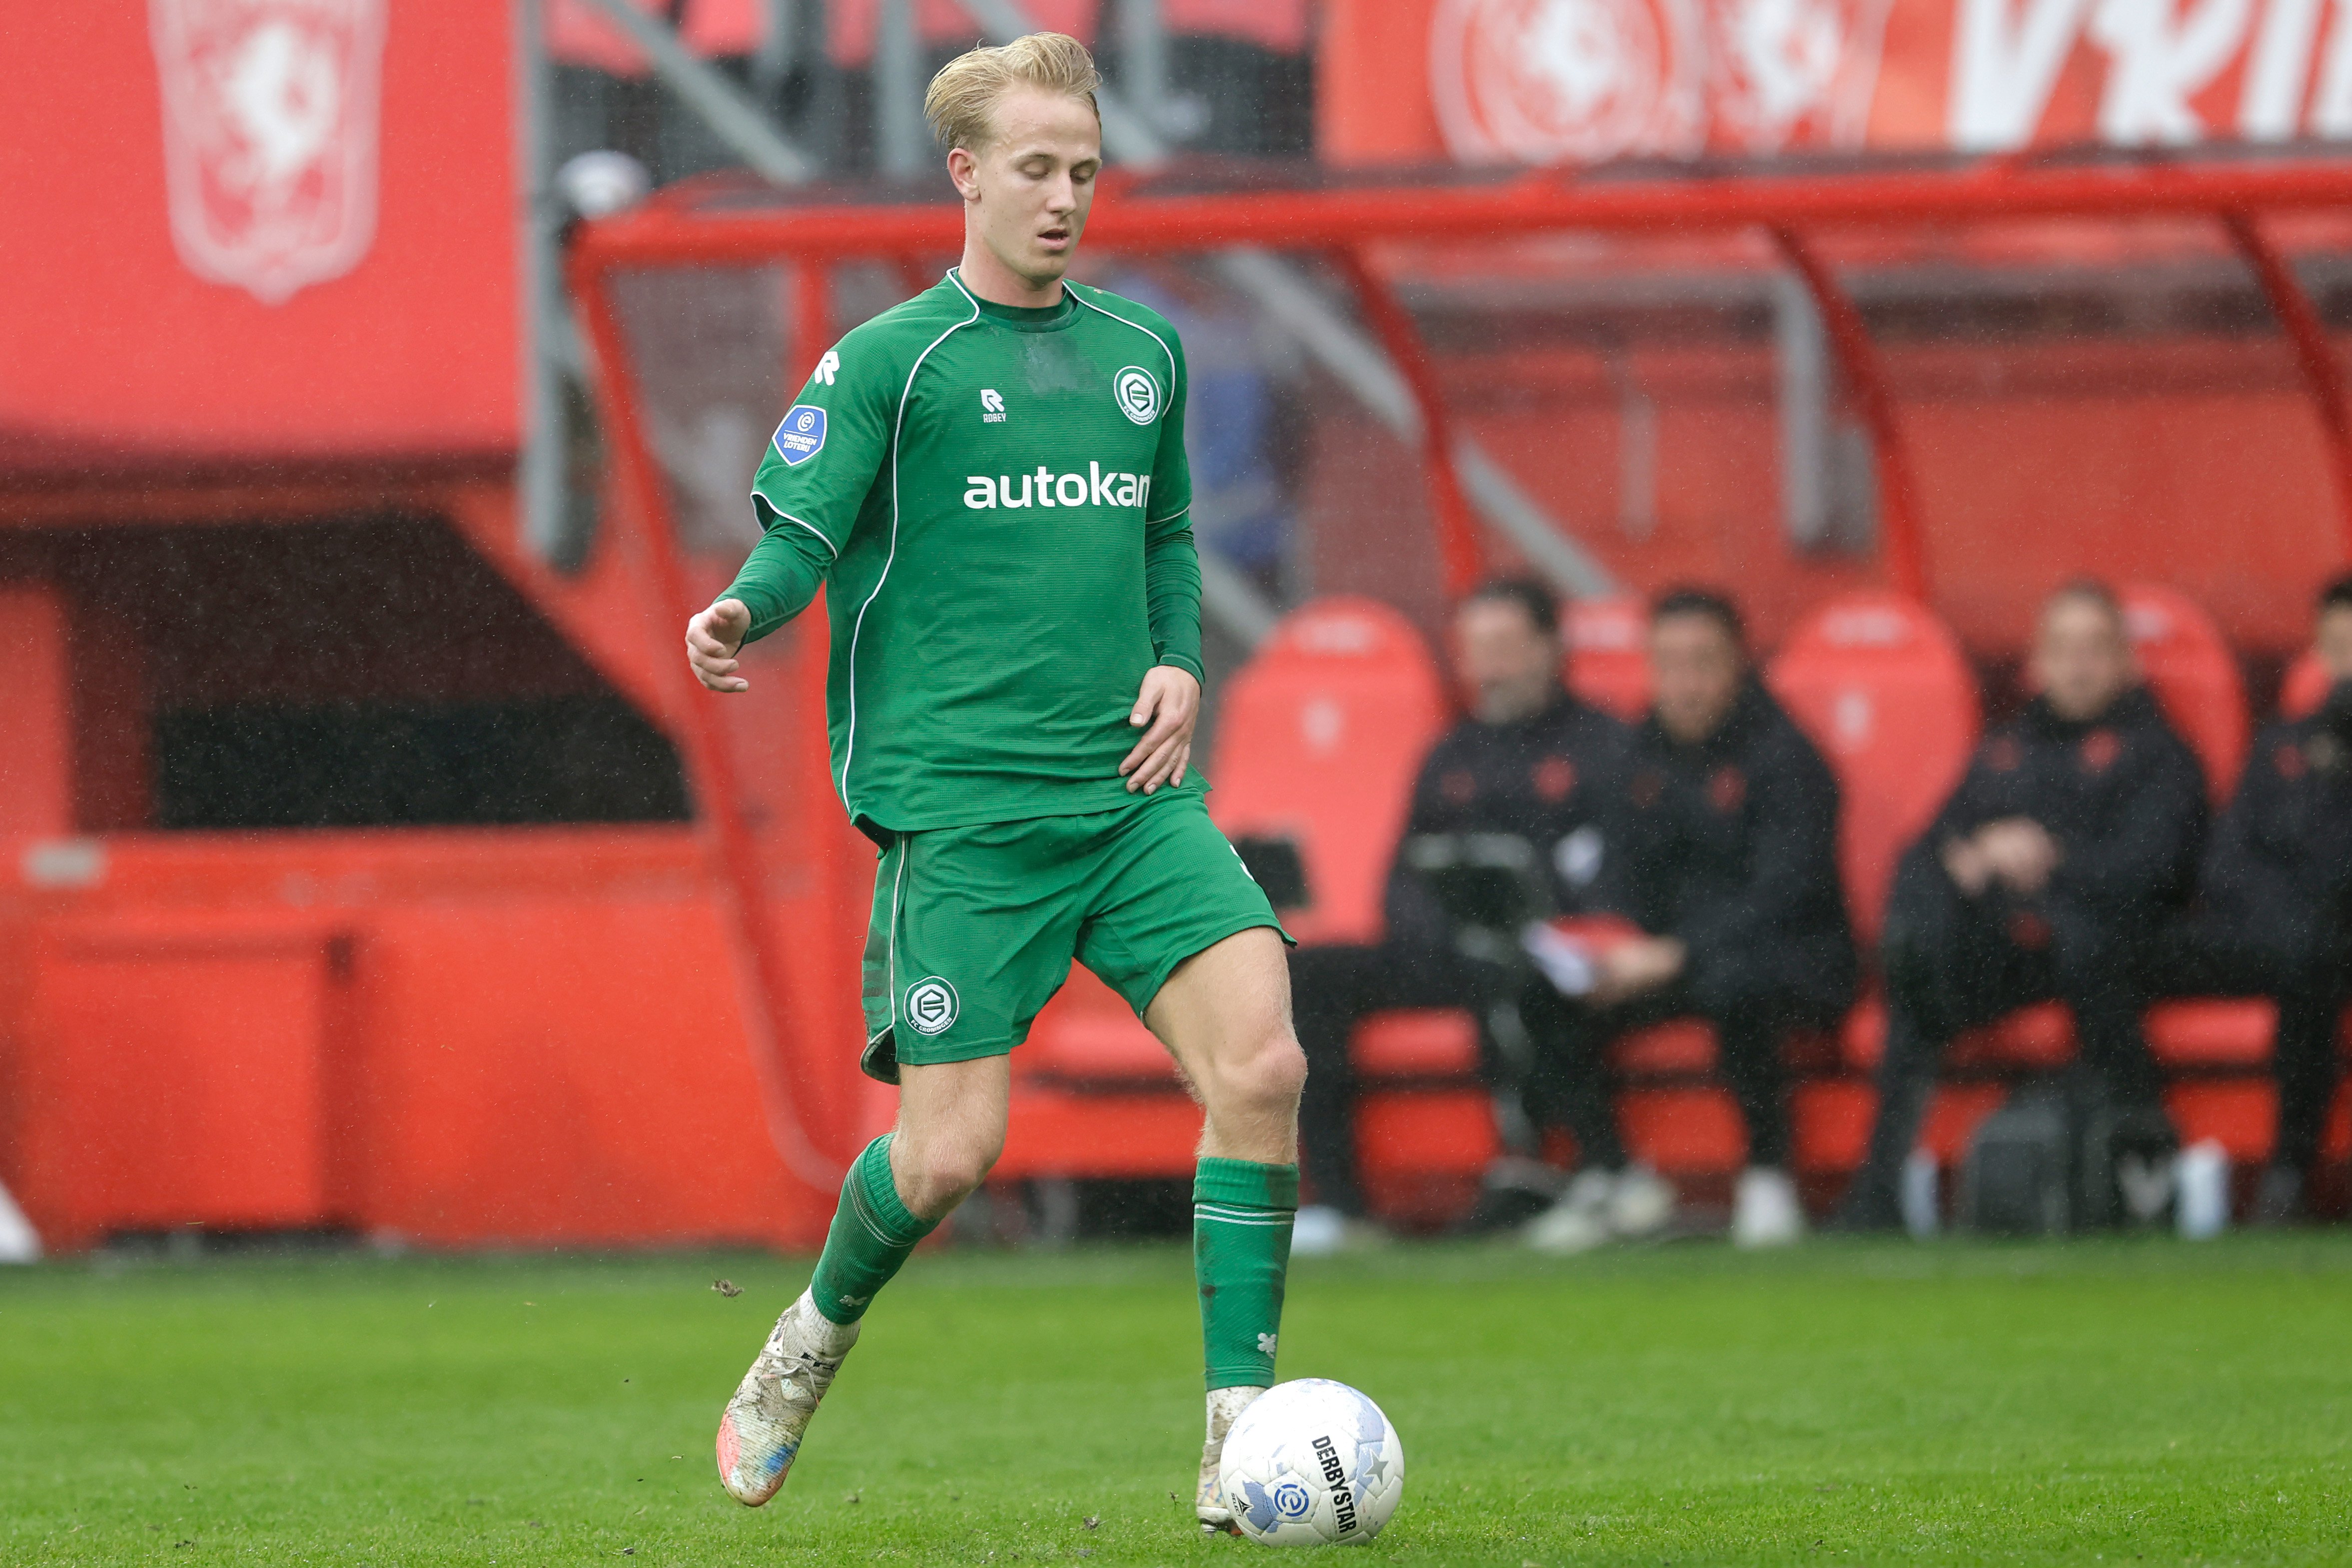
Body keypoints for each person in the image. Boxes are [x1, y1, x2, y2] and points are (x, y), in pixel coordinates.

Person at [682, 35, 1302, 1536]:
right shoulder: (893, 362)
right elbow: (804, 534)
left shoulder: (1140, 355)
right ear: (965, 173)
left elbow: (1163, 535)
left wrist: (1181, 660)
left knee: (1265, 1069)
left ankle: (1237, 1438)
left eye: (1084, 172)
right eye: (1036, 168)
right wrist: (741, 612)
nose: (1064, 197)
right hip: (963, 816)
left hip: (1132, 797)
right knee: (951, 1157)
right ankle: (808, 1339)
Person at [1284, 578, 1667, 1256]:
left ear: (1552, 647)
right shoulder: (1450, 753)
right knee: (1303, 973)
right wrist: (1434, 932)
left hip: (1554, 959)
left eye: (1507, 648)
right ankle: (1342, 1204)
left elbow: (1622, 880)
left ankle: (1590, 1168)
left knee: (1526, 975)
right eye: (1477, 650)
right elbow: (1402, 878)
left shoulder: (1606, 747)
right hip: (1447, 953)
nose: (1490, 668)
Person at [1836, 580, 2207, 1231]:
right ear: (2037, 661)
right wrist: (1977, 851)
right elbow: (1927, 850)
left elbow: (2158, 870)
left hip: (2112, 948)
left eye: (2095, 648)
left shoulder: (2160, 754)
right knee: (1918, 958)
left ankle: (2142, 1163)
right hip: (2010, 950)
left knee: (2090, 948)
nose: (2078, 664)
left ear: (2126, 660)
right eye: (2061, 648)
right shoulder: (2005, 751)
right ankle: (1881, 1185)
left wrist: (2050, 856)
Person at [1572, 588, 1857, 1247]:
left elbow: (1787, 893)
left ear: (1739, 664)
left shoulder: (1788, 758)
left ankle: (1767, 1179)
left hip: (1795, 956)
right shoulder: (1634, 753)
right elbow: (1614, 867)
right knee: (1548, 987)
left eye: (1703, 662)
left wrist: (1678, 952)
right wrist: (1610, 941)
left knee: (1738, 983)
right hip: (1666, 958)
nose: (1686, 683)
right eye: (1668, 663)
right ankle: (1612, 1174)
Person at [2142, 576, 2352, 1224]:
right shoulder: (2282, 746)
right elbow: (2227, 863)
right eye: (2338, 646)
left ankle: (2289, 1172)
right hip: (2271, 933)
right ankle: (2137, 1164)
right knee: (2112, 948)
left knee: (2315, 955)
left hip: (2329, 941)